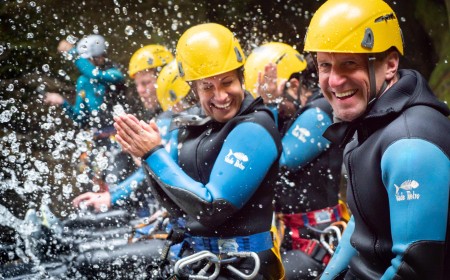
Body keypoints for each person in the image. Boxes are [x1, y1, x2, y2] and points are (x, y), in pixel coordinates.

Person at [114, 23, 285, 279]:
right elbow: (175, 204)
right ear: (193, 88)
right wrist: (146, 158)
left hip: (242, 269)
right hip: (197, 261)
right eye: (207, 87)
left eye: (227, 82)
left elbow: (212, 208)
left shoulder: (256, 127)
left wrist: (153, 154)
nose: (221, 96)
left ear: (241, 77)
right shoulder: (191, 123)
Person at [303, 0, 450, 279]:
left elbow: (412, 269)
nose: (334, 81)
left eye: (349, 63)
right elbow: (365, 222)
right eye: (325, 65)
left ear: (391, 64)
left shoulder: (409, 144)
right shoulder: (374, 121)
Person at [245, 42, 347, 279]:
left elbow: (280, 161)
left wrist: (269, 106)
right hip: (291, 234)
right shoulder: (292, 116)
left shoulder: (322, 109)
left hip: (318, 238)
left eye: (273, 99)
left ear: (293, 85)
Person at [71, 46, 189, 214]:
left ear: (165, 78)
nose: (140, 90)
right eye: (137, 84)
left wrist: (111, 197)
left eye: (146, 82)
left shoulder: (170, 119)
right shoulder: (165, 117)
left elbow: (158, 169)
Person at [44, 34, 131, 191]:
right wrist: (62, 102)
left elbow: (95, 74)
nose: (85, 64)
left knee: (115, 182)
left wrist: (73, 54)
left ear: (99, 57)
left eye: (88, 60)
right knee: (90, 185)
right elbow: (79, 118)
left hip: (117, 140)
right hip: (95, 142)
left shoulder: (114, 74)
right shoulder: (83, 81)